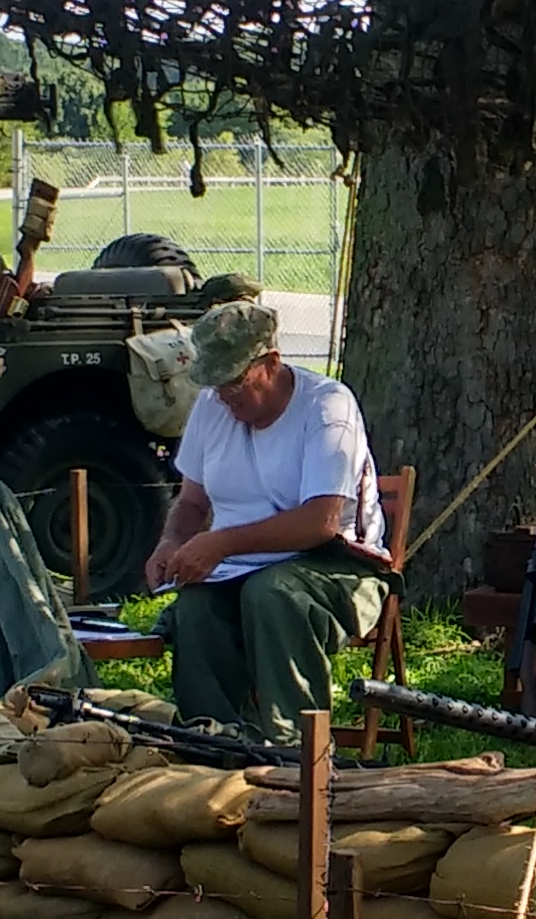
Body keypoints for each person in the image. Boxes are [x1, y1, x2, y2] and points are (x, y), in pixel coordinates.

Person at [147, 300, 392, 745]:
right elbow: (191, 503)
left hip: (338, 567)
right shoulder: (212, 405)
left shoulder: (327, 406)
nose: (224, 395)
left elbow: (322, 522)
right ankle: (214, 745)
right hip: (240, 571)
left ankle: (296, 752)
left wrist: (221, 544)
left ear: (271, 363)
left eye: (235, 381)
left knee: (272, 594)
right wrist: (172, 541)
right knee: (194, 611)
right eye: (215, 383)